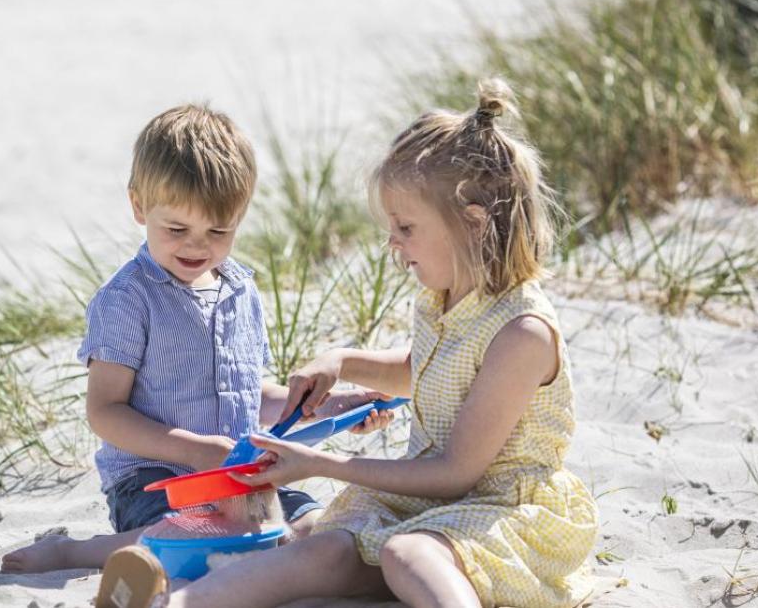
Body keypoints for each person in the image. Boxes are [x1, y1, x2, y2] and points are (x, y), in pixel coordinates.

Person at [95, 81, 598, 608]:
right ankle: (174, 605)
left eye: (405, 226)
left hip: (496, 511)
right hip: (427, 507)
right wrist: (342, 363)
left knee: (408, 555)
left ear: (471, 225)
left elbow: (455, 474)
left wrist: (320, 464)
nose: (392, 243)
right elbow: (424, 369)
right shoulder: (445, 300)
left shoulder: (523, 333)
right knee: (321, 549)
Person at [1, 103, 390, 574]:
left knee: (317, 529)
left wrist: (331, 407)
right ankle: (75, 552)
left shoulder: (241, 290)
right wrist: (193, 449)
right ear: (139, 206)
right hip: (158, 478)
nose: (196, 246)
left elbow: (250, 397)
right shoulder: (128, 299)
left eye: (218, 230)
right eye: (177, 229)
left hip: (239, 472)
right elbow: (105, 412)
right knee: (202, 538)